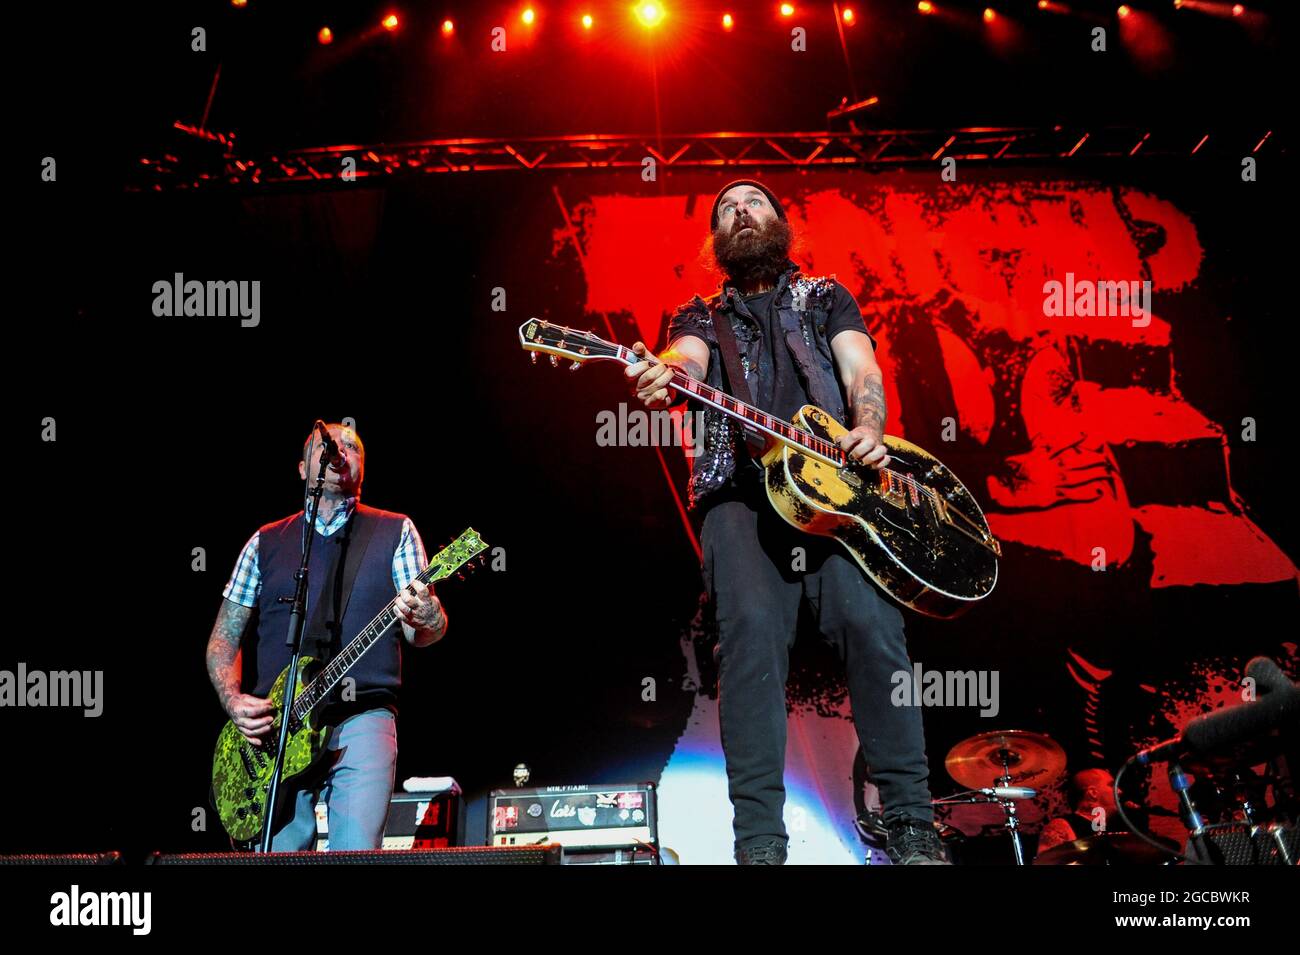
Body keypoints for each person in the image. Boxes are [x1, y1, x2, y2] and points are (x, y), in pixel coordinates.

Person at [625, 180, 947, 864]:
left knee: (876, 634)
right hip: (740, 496)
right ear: (715, 238)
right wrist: (664, 372)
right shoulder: (699, 314)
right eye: (726, 208)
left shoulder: (826, 295)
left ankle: (914, 825)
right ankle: (762, 844)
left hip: (842, 501)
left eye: (754, 202)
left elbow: (862, 366)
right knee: (749, 655)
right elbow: (686, 361)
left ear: (781, 222)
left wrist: (868, 427)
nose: (740, 210)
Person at [205, 422, 447, 850]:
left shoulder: (395, 530)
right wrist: (233, 699)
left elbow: (423, 633)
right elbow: (223, 640)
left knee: (353, 856)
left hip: (363, 717)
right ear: (303, 469)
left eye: (351, 448)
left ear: (361, 468)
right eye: (329, 446)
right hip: (276, 731)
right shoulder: (265, 542)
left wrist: (428, 615)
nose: (341, 453)